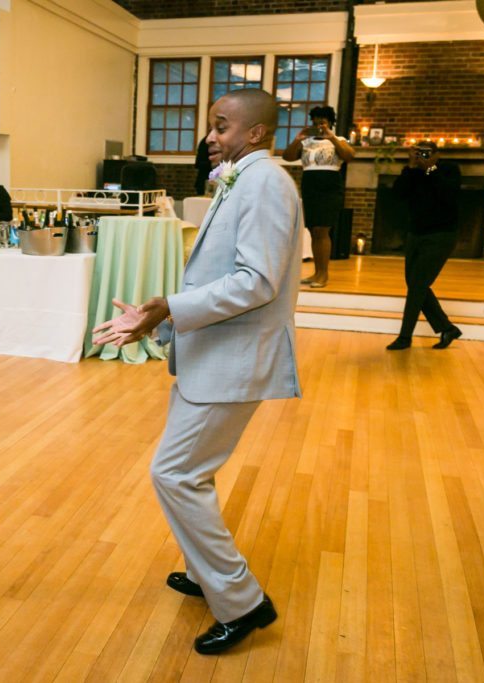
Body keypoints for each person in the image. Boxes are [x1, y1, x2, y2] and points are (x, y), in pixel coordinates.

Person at [93, 88, 301, 656]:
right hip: (211, 354)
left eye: (222, 125)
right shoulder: (241, 176)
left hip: (234, 358)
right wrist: (161, 311)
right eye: (212, 125)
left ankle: (242, 600)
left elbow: (257, 281)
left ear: (256, 133)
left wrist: (169, 308)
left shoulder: (264, 182)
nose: (210, 136)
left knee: (174, 473)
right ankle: (207, 572)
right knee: (189, 472)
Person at [386, 141, 463, 350]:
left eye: (427, 153)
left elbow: (448, 194)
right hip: (415, 234)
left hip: (441, 235)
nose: (423, 156)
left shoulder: (448, 169)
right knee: (416, 285)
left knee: (417, 286)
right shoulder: (412, 173)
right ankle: (447, 328)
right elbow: (397, 195)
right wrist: (411, 168)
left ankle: (404, 337)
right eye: (419, 152)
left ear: (437, 154)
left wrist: (430, 168)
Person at [281, 105, 354, 288]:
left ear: (330, 122)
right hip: (310, 187)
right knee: (314, 231)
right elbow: (288, 157)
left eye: (322, 121)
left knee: (322, 230)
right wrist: (298, 139)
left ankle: (324, 275)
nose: (318, 125)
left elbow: (349, 156)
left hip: (329, 187)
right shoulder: (306, 142)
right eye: (315, 121)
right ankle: (316, 273)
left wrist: (332, 137)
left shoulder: (339, 140)